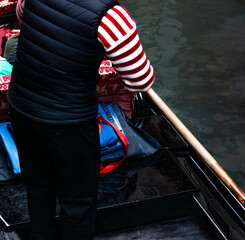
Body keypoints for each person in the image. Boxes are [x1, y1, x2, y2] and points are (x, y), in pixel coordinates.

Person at [8, 0, 155, 239]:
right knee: (78, 203)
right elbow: (140, 81)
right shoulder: (113, 18)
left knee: (38, 187)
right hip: (69, 124)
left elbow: (22, 15)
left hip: (22, 106)